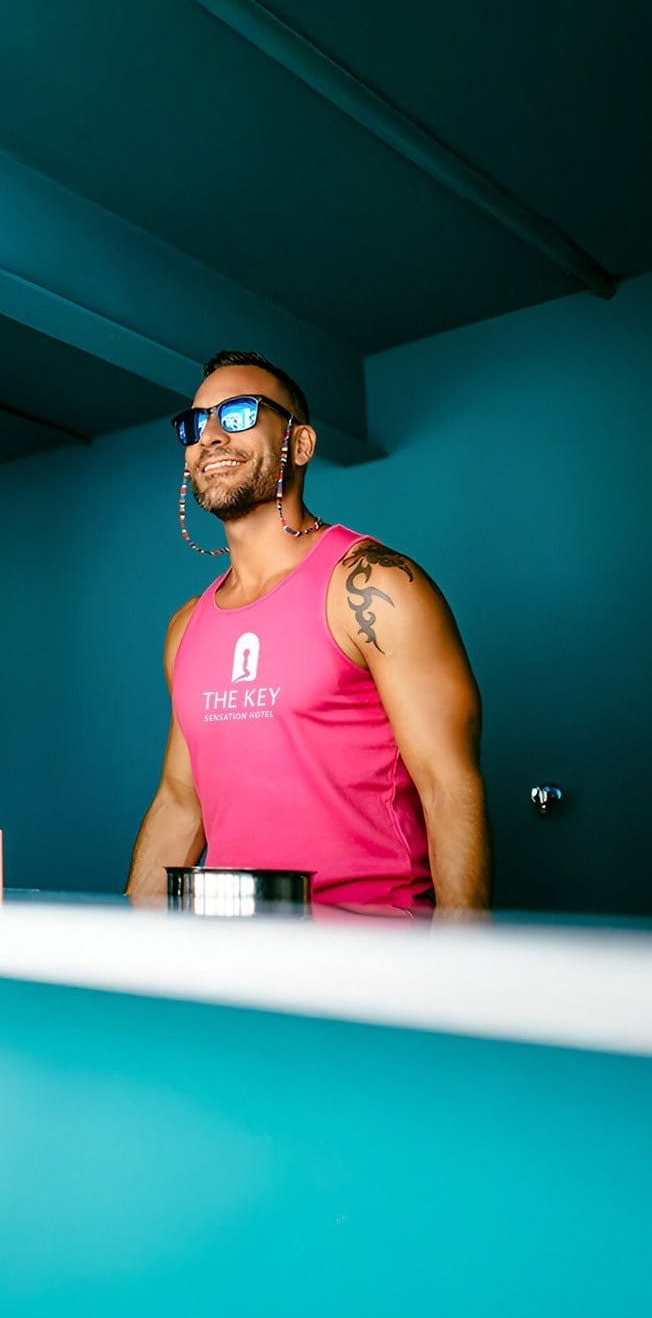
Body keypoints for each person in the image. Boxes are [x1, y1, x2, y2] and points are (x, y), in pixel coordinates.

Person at [126, 350, 491, 913]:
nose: (211, 436)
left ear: (299, 445)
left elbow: (448, 786)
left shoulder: (373, 586)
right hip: (232, 961)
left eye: (240, 413)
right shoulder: (186, 627)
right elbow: (180, 804)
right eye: (197, 423)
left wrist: (458, 972)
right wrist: (125, 954)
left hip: (370, 963)